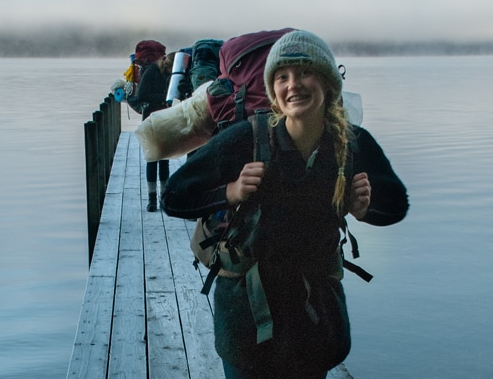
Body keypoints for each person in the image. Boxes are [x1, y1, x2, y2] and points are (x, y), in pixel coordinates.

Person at [161, 30, 409, 378]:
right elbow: (174, 195)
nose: (294, 84)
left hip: (314, 319)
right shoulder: (246, 137)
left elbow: (396, 206)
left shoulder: (352, 144)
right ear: (273, 89)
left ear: (328, 82)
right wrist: (230, 192)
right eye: (282, 76)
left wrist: (365, 210)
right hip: (246, 317)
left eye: (305, 72)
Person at [133, 51, 176, 211]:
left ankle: (163, 198)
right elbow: (142, 95)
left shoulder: (174, 74)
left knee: (164, 159)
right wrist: (164, 98)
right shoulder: (151, 71)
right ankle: (152, 199)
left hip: (166, 119)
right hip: (150, 120)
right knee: (152, 159)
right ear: (167, 65)